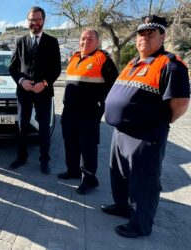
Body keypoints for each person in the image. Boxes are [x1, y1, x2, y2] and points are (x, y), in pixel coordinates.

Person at [102, 15, 190, 238]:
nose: (144, 38)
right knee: (120, 176)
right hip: (121, 132)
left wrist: (155, 122)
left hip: (145, 135)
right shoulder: (134, 63)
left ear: (163, 36)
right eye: (141, 34)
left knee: (144, 182)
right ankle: (122, 206)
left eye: (151, 34)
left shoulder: (170, 65)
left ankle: (140, 225)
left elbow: (180, 105)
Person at [57, 29, 118, 194]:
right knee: (70, 142)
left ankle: (90, 179)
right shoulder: (75, 57)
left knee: (88, 147)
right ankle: (73, 171)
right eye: (83, 39)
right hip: (69, 111)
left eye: (90, 39)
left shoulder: (103, 59)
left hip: (89, 112)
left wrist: (101, 109)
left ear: (97, 42)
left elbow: (114, 88)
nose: (85, 42)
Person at [9, 6, 61, 174]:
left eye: (38, 19)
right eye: (32, 20)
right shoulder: (20, 41)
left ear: (43, 21)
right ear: (28, 21)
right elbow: (12, 68)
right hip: (24, 92)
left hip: (43, 92)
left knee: (44, 127)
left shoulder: (52, 42)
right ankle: (21, 157)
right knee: (22, 126)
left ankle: (44, 160)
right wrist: (21, 81)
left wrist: (45, 83)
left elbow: (56, 69)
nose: (35, 23)